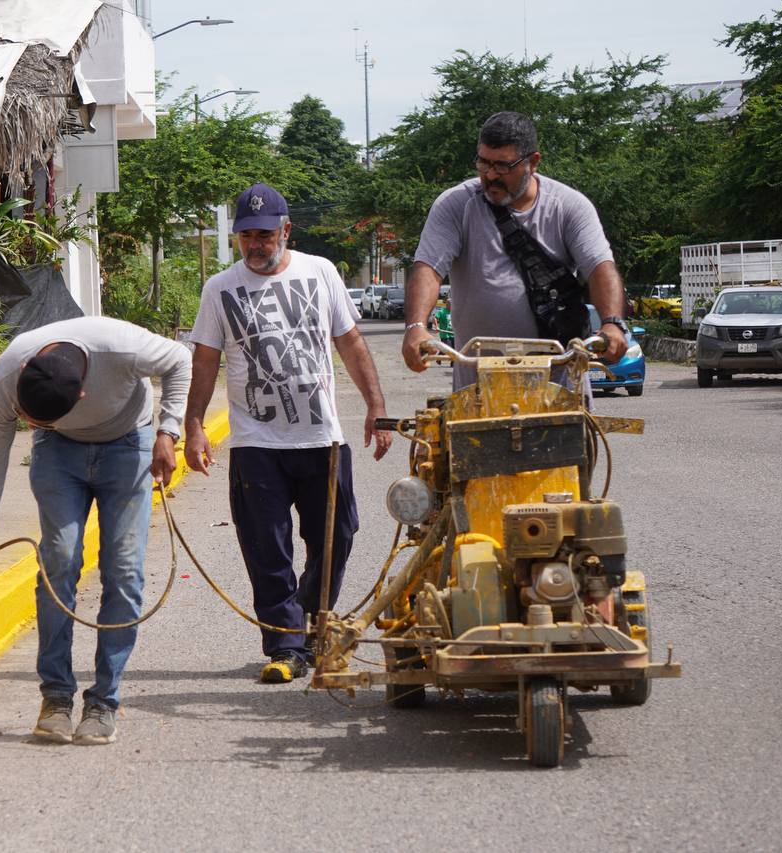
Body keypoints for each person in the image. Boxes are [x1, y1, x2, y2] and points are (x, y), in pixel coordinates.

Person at [0, 316, 191, 746]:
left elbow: (181, 359)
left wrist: (168, 431)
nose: (30, 424)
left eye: (40, 421)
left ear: (81, 394)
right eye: (29, 420)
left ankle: (104, 701)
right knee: (59, 558)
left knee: (124, 570)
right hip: (59, 454)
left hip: (128, 443)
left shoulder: (122, 348)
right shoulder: (2, 382)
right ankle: (55, 698)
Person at [183, 183, 393, 685]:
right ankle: (286, 644)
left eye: (265, 234)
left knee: (338, 536)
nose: (255, 244)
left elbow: (349, 341)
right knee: (266, 547)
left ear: (286, 230)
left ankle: (310, 622)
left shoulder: (321, 273)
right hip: (257, 443)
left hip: (322, 438)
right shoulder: (220, 289)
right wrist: (192, 425)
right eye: (246, 236)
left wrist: (376, 406)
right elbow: (205, 360)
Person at [401, 111, 629, 381]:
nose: (490, 175)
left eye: (503, 166)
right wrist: (415, 327)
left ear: (533, 162)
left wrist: (612, 323)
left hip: (558, 385)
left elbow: (600, 268)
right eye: (483, 163)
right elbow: (428, 268)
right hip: (477, 389)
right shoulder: (455, 205)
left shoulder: (569, 206)